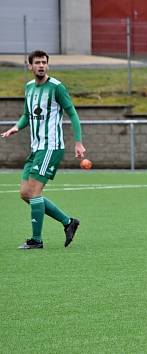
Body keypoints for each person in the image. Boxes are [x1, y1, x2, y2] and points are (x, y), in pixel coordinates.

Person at [1, 50, 85, 250]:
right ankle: (68, 222)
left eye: (44, 62)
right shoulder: (29, 87)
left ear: (48, 65)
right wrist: (16, 127)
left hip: (51, 147)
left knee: (35, 192)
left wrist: (79, 142)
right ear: (29, 66)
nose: (41, 65)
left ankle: (36, 240)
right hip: (36, 148)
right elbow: (26, 114)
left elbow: (72, 113)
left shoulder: (56, 87)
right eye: (37, 62)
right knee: (24, 193)